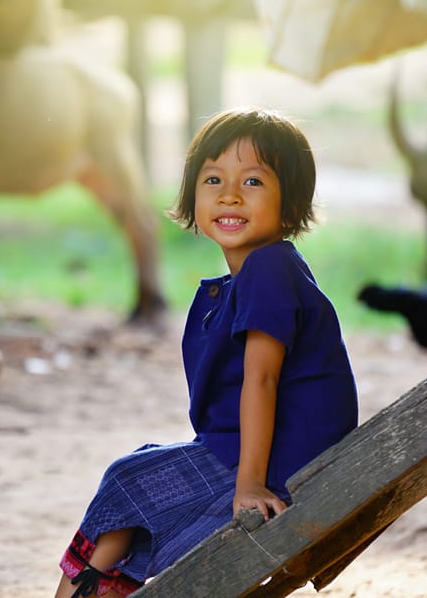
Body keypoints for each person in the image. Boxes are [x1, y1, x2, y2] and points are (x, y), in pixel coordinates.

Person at [53, 107, 359, 598]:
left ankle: (89, 592)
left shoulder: (268, 271)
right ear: (193, 196)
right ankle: (104, 588)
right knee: (139, 469)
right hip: (266, 451)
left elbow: (262, 380)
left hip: (283, 461)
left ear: (289, 203)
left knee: (128, 480)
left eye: (253, 181)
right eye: (213, 178)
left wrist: (250, 485)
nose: (229, 194)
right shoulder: (259, 274)